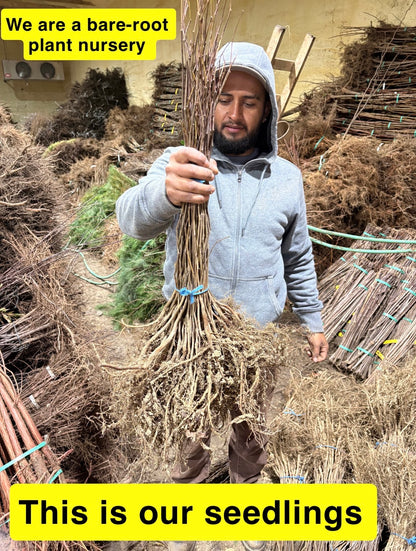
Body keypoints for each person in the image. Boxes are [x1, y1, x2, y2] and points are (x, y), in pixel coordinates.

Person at [116, 41, 328, 551]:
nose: (234, 114)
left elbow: (297, 258)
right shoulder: (181, 161)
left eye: (249, 102)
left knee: (251, 439)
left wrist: (314, 319)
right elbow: (131, 220)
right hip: (190, 335)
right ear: (207, 100)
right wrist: (162, 193)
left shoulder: (287, 180)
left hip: (258, 337)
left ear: (267, 110)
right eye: (224, 98)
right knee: (188, 440)